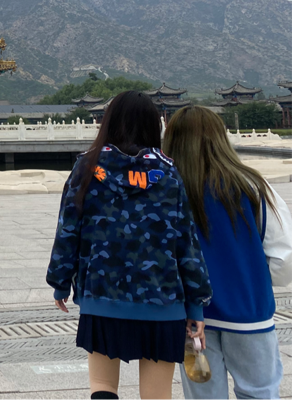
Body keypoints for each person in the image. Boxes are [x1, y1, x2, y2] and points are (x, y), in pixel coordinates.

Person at [46, 91, 212, 400]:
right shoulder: (169, 173)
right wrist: (195, 305)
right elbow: (186, 243)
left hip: (102, 297)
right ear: (153, 126)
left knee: (103, 386)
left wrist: (60, 282)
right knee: (156, 394)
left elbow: (68, 230)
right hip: (162, 301)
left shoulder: (86, 167)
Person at [164, 105, 292, 399]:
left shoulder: (167, 191)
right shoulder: (253, 186)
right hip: (249, 311)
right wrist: (255, 279)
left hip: (190, 317)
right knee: (259, 392)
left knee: (204, 395)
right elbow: (283, 257)